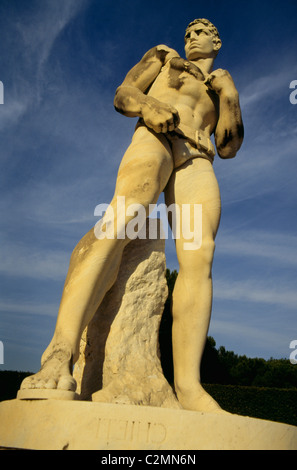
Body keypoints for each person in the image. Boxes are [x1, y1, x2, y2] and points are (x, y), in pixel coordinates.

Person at [20, 18, 243, 412]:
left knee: (199, 256)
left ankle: (189, 387)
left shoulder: (218, 85)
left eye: (200, 31)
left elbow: (228, 146)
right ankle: (60, 351)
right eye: (188, 31)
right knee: (123, 217)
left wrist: (230, 96)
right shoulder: (164, 56)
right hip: (155, 136)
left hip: (196, 156)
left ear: (217, 41)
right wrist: (147, 105)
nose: (190, 36)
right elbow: (123, 93)